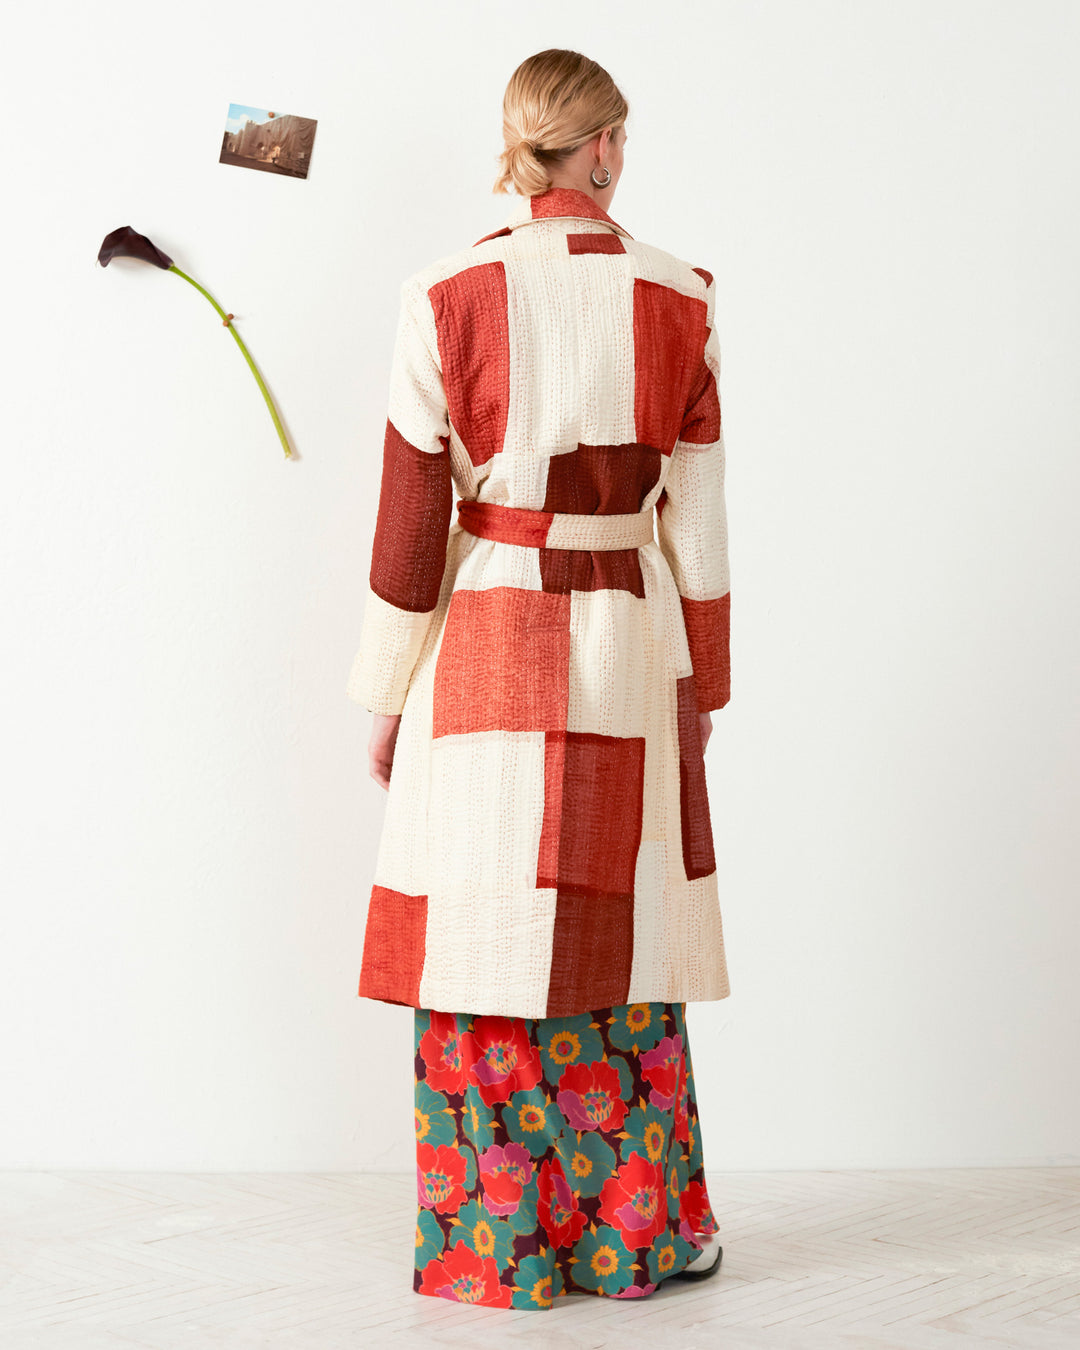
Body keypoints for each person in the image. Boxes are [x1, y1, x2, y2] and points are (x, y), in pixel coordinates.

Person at [346, 48, 732, 1309]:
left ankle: (496, 1243)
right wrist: (705, 684)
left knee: (483, 931)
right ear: (605, 147)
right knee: (620, 935)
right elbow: (703, 523)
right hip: (628, 631)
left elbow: (411, 529)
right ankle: (637, 1237)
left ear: (522, 147)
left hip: (491, 638)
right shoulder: (685, 295)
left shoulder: (445, 292)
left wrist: (388, 690)